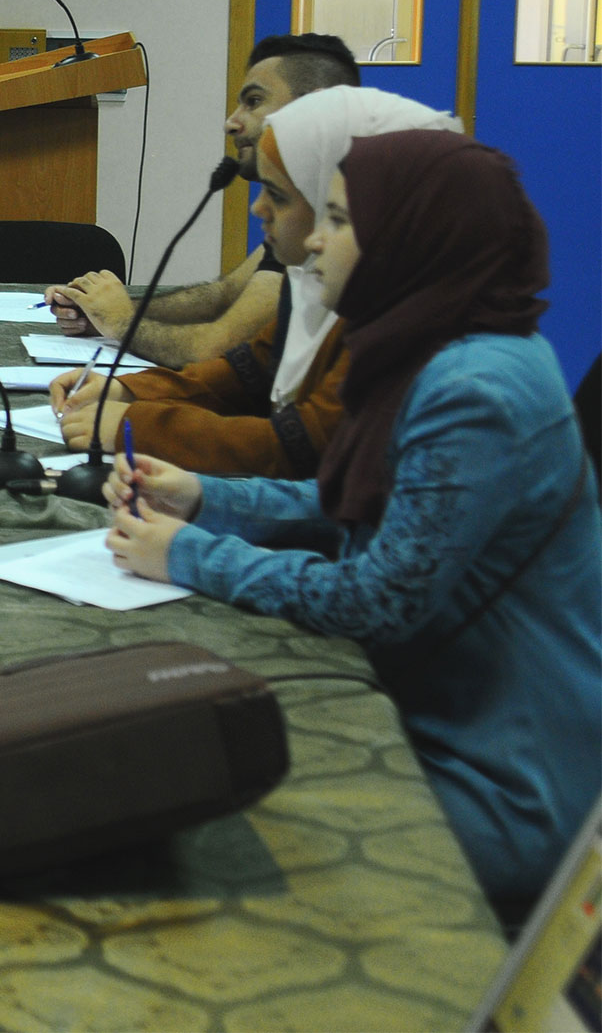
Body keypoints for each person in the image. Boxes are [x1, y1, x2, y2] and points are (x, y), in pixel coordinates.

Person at [103, 130, 602, 923]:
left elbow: (377, 597)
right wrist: (205, 497)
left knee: (217, 842)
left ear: (410, 236)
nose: (317, 240)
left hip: (509, 784)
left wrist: (193, 555)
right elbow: (365, 507)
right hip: (443, 725)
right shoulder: (432, 342)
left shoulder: (477, 387)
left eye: (338, 218)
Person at [53, 87, 458, 474]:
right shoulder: (316, 279)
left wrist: (138, 425)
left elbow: (304, 445)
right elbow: (248, 370)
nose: (257, 208)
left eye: (278, 195)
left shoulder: (406, 316)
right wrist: (130, 390)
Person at [47, 33, 360, 367]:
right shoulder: (306, 198)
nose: (231, 122)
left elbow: (212, 351)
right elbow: (224, 296)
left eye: (253, 102)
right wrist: (104, 308)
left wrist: (122, 321)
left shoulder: (344, 211)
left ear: (316, 106)